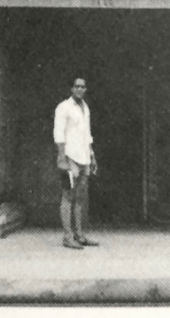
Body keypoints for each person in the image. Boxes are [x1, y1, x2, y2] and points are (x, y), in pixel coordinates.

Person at [53, 76, 98, 248]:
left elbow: (87, 135)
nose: (80, 89)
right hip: (70, 158)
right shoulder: (63, 107)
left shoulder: (85, 108)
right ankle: (67, 236)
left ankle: (79, 235)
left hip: (84, 158)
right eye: (76, 86)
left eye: (83, 87)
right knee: (68, 195)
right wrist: (62, 157)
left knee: (81, 197)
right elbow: (59, 133)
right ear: (71, 89)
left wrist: (92, 155)